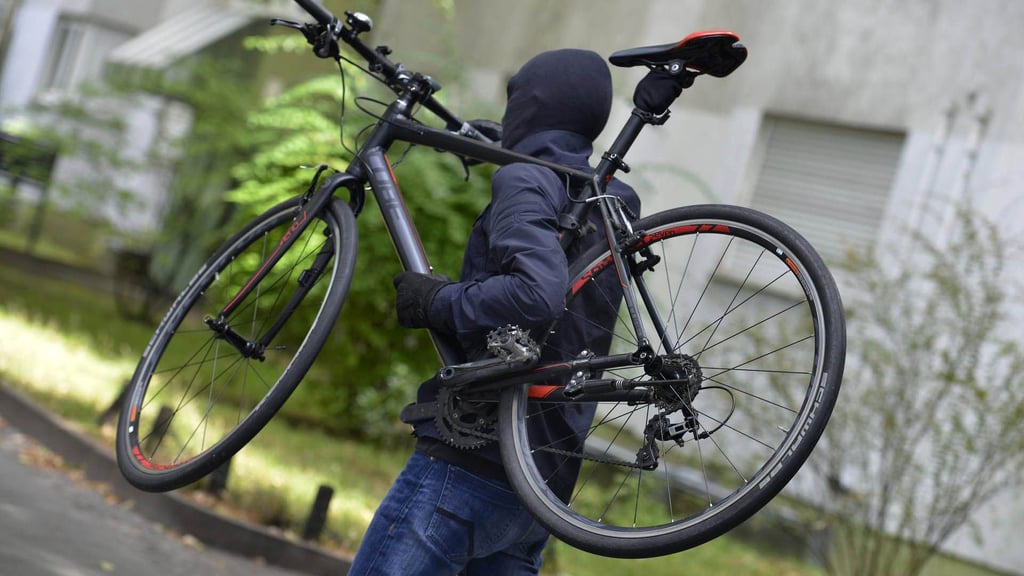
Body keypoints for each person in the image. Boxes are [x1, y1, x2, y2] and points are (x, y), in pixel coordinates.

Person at [347, 48, 641, 575]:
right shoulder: (612, 199)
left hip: (471, 460)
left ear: (532, 103)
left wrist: (435, 300)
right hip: (542, 484)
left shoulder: (527, 179)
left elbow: (536, 294)